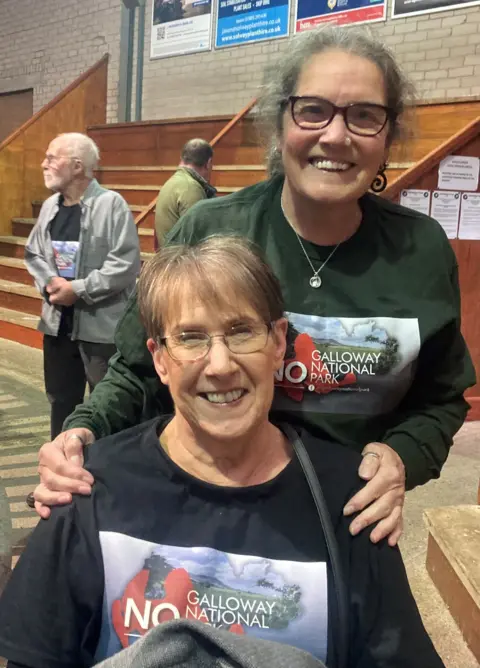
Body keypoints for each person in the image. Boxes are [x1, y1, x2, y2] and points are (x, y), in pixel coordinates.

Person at [33, 26, 475, 548]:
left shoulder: (419, 250)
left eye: (364, 115)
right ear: (279, 121)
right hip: (199, 515)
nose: (336, 135)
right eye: (313, 110)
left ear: (387, 136)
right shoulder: (209, 229)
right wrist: (80, 431)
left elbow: (441, 399)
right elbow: (135, 371)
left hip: (343, 527)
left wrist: (401, 456)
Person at [0, 237, 445, 668]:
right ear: (159, 359)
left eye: (241, 331)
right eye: (191, 338)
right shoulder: (87, 490)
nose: (220, 365)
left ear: (277, 343)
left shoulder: (350, 501)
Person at [25, 132, 141, 439]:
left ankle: (107, 477)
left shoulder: (111, 205)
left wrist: (76, 289)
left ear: (77, 166)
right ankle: (62, 472)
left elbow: (125, 264)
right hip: (57, 329)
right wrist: (50, 283)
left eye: (52, 158)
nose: (44, 164)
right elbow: (34, 252)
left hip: (100, 332)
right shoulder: (50, 206)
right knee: (61, 403)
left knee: (107, 407)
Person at [154, 138, 216, 245]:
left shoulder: (172, 182)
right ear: (208, 163)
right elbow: (197, 241)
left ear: (182, 159)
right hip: (180, 259)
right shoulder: (191, 188)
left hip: (169, 256)